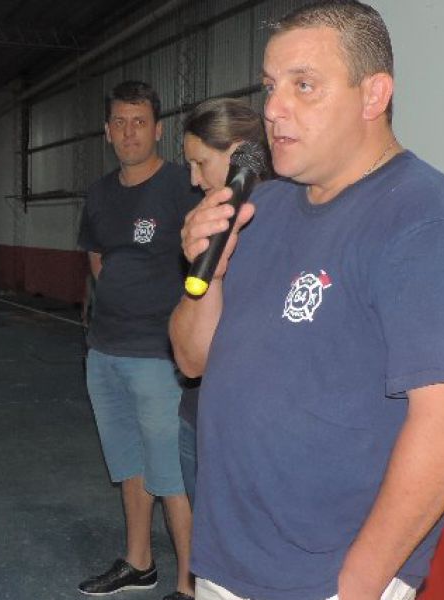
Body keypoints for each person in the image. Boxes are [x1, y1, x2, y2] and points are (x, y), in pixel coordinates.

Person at [169, 3, 444, 600]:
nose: (274, 108)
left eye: (304, 86)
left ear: (373, 94)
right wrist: (211, 275)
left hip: (323, 577)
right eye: (272, 86)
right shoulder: (264, 207)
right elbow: (193, 360)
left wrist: (360, 582)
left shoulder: (426, 221)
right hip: (229, 559)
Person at [76, 80, 202, 600]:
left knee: (170, 475)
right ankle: (139, 563)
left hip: (159, 357)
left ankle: (189, 585)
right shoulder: (100, 195)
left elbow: (209, 260)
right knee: (127, 463)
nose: (130, 132)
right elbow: (98, 260)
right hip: (104, 351)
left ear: (158, 129)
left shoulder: (181, 186)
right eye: (120, 123)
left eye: (140, 122)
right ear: (108, 132)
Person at [177, 98, 270, 503]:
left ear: (237, 156)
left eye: (201, 163)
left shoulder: (282, 224)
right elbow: (190, 356)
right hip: (199, 414)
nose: (195, 181)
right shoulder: (206, 228)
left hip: (250, 430)